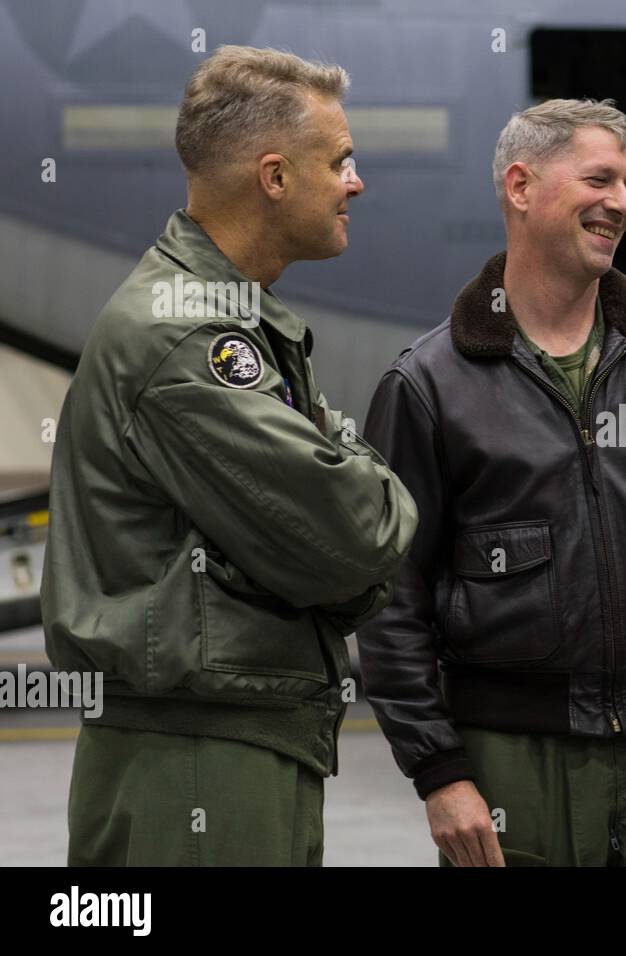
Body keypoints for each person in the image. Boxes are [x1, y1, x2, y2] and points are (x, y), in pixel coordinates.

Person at [358, 99, 626, 867]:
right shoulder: (429, 383)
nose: (623, 202)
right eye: (599, 179)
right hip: (513, 760)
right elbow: (391, 599)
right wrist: (439, 772)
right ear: (521, 187)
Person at [41, 45, 417, 866]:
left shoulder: (228, 317)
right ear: (275, 177)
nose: (356, 184)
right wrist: (349, 478)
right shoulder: (186, 336)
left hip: (228, 741)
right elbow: (358, 534)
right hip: (197, 765)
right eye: (341, 162)